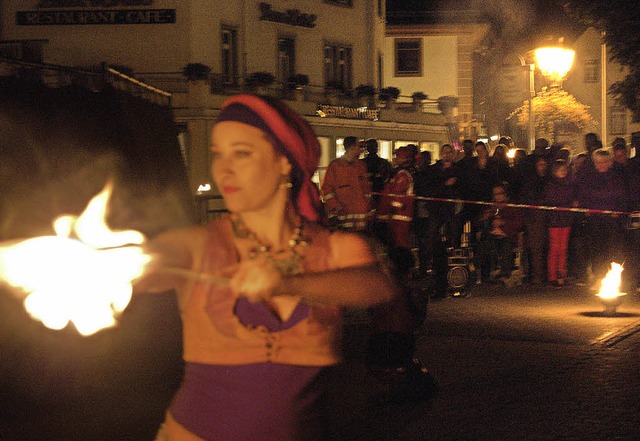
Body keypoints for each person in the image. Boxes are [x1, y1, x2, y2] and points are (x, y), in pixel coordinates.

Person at [136, 94, 399, 441]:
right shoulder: (198, 244)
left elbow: (378, 287)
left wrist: (287, 284)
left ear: (283, 162)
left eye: (241, 153)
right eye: (218, 154)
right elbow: (144, 266)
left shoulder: (336, 249)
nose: (223, 169)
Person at [474, 181, 523, 286]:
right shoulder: (489, 207)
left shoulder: (511, 206)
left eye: (500, 193)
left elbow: (519, 223)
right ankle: (481, 272)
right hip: (492, 236)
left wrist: (504, 224)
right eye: (495, 194)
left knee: (506, 247)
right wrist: (484, 218)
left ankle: (505, 276)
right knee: (485, 244)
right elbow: (477, 222)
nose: (498, 196)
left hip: (507, 235)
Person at [320, 136, 372, 231]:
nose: (361, 150)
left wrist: (367, 207)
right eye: (358, 147)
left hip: (360, 220)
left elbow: (366, 189)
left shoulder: (361, 166)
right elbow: (326, 189)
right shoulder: (335, 166)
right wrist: (335, 207)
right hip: (342, 217)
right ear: (352, 148)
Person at [542, 159, 576, 288]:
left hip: (566, 219)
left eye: (564, 170)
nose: (563, 172)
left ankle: (562, 274)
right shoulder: (551, 185)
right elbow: (551, 199)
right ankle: (552, 276)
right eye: (560, 170)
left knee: (563, 249)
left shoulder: (569, 184)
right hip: (555, 220)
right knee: (555, 249)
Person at [361, 138, 393, 211]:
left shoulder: (361, 163)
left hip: (377, 194)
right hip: (371, 194)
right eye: (371, 146)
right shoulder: (384, 163)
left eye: (373, 146)